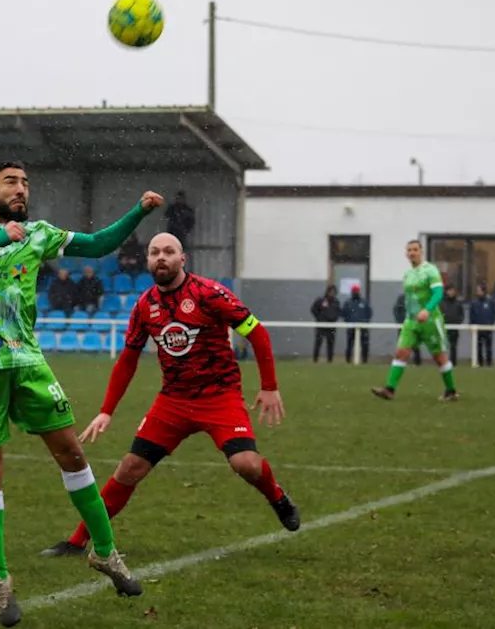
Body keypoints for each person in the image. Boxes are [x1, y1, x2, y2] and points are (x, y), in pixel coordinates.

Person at [0, 160, 157, 626]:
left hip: (28, 361)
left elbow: (98, 245)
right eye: (10, 182)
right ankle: (0, 582)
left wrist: (137, 212)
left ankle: (105, 552)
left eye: (25, 183)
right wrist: (0, 239)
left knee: (74, 456)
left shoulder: (40, 232)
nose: (21, 189)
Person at [39, 232, 300, 559]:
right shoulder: (145, 305)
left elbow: (257, 333)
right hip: (173, 402)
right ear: (147, 261)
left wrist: (270, 386)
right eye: (154, 252)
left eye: (168, 251)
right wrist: (107, 410)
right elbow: (127, 362)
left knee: (246, 464)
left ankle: (278, 498)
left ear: (182, 259)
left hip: (220, 397)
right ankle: (77, 541)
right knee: (129, 469)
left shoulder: (209, 293)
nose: (160, 257)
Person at [371, 240, 459, 401]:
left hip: (430, 321)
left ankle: (451, 391)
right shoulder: (408, 274)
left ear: (421, 251)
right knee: (400, 353)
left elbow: (438, 293)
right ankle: (389, 389)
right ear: (406, 254)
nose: (412, 253)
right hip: (411, 321)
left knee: (439, 357)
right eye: (409, 250)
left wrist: (427, 309)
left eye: (415, 249)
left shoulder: (430, 270)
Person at [468, 283, 495, 367]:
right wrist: (471, 326)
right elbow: (471, 315)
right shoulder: (474, 303)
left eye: (479, 290)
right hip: (477, 329)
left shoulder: (490, 302)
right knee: (478, 347)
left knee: (488, 347)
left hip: (488, 329)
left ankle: (489, 363)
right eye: (477, 291)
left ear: (484, 291)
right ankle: (480, 363)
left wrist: (490, 323)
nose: (478, 292)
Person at [341, 285, 372, 363]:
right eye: (354, 291)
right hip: (351, 327)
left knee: (364, 345)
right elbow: (343, 313)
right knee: (349, 345)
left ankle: (365, 361)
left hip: (363, 327)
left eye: (357, 290)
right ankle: (348, 361)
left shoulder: (364, 302)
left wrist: (365, 322)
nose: (356, 292)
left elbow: (369, 313)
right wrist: (348, 322)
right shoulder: (348, 303)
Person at [310, 285, 340, 362]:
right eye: (331, 292)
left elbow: (338, 312)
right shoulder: (320, 300)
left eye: (334, 292)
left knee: (330, 345)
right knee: (318, 343)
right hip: (321, 326)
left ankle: (330, 360)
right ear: (328, 292)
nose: (332, 293)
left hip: (331, 326)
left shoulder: (336, 302)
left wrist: (334, 319)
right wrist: (319, 318)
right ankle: (315, 360)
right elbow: (313, 309)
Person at [440, 285, 464, 365]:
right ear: (446, 291)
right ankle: (443, 362)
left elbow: (461, 315)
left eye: (453, 290)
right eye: (450, 290)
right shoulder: (442, 302)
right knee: (443, 346)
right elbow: (438, 314)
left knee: (453, 346)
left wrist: (458, 322)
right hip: (444, 328)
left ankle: (453, 363)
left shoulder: (458, 303)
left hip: (454, 328)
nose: (451, 292)